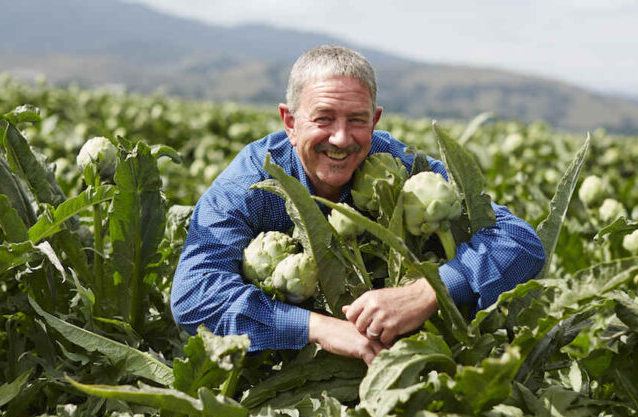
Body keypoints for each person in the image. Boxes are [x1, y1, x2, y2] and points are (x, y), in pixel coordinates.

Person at [171, 45, 544, 364]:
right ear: (290, 121)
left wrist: (429, 292)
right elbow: (193, 294)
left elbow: (520, 241)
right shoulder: (248, 184)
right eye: (324, 118)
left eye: (357, 120)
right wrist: (317, 328)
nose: (341, 138)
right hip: (287, 374)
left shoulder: (394, 167)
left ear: (375, 120)